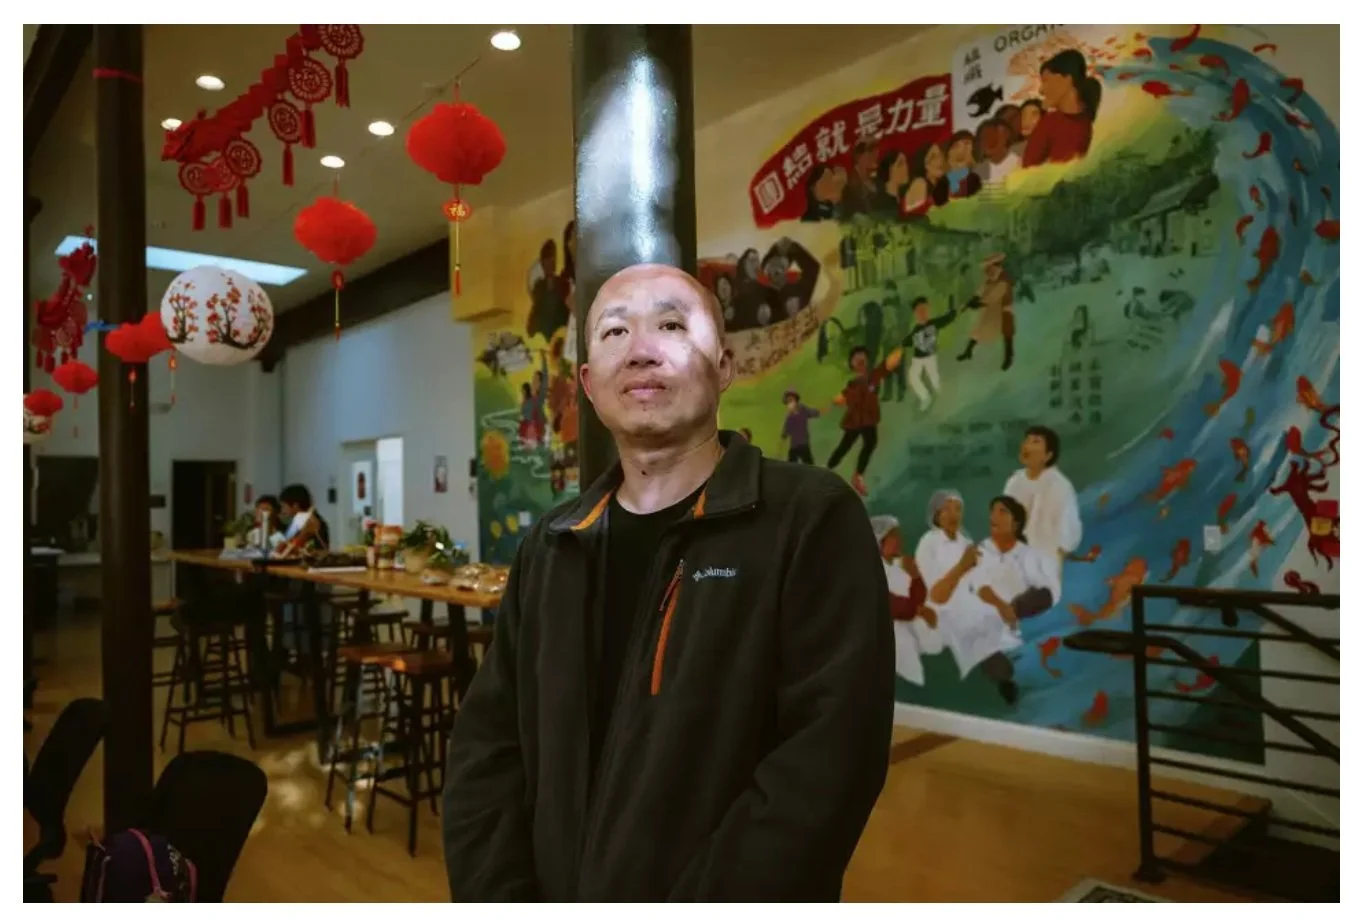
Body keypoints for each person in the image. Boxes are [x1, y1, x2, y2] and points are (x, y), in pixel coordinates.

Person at [442, 263, 894, 902]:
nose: (641, 351)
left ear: (725, 365)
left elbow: (827, 767)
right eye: (615, 332)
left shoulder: (809, 518)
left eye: (673, 325)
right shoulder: (552, 544)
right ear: (589, 385)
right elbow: (487, 750)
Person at [925, 496, 1059, 704]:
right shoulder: (981, 550)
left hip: (1015, 616)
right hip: (984, 617)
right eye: (993, 511)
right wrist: (1001, 606)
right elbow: (979, 585)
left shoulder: (1028, 555)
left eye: (1002, 511)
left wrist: (1014, 608)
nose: (993, 516)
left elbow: (1047, 592)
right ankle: (1000, 675)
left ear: (1015, 524)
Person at [1003, 425, 1082, 585]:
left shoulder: (1060, 485)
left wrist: (1056, 557)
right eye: (1026, 441)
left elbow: (1070, 534)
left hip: (1045, 567)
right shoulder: (1014, 483)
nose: (1026, 446)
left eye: (1035, 442)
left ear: (1048, 455)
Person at [1022, 49, 1102, 168]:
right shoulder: (1050, 122)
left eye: (1046, 81)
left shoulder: (1053, 123)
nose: (1041, 90)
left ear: (1067, 79)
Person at [278, 483, 330, 554]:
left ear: (295, 505)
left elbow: (286, 549)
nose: (282, 510)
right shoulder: (299, 520)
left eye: (284, 506)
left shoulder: (312, 521)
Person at [779, 389, 820, 464]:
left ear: (796, 401)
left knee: (809, 464)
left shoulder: (803, 410)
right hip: (794, 446)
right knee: (792, 465)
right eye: (787, 402)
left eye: (791, 401)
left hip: (804, 444)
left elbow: (813, 413)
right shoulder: (789, 418)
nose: (789, 405)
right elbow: (785, 432)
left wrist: (817, 412)